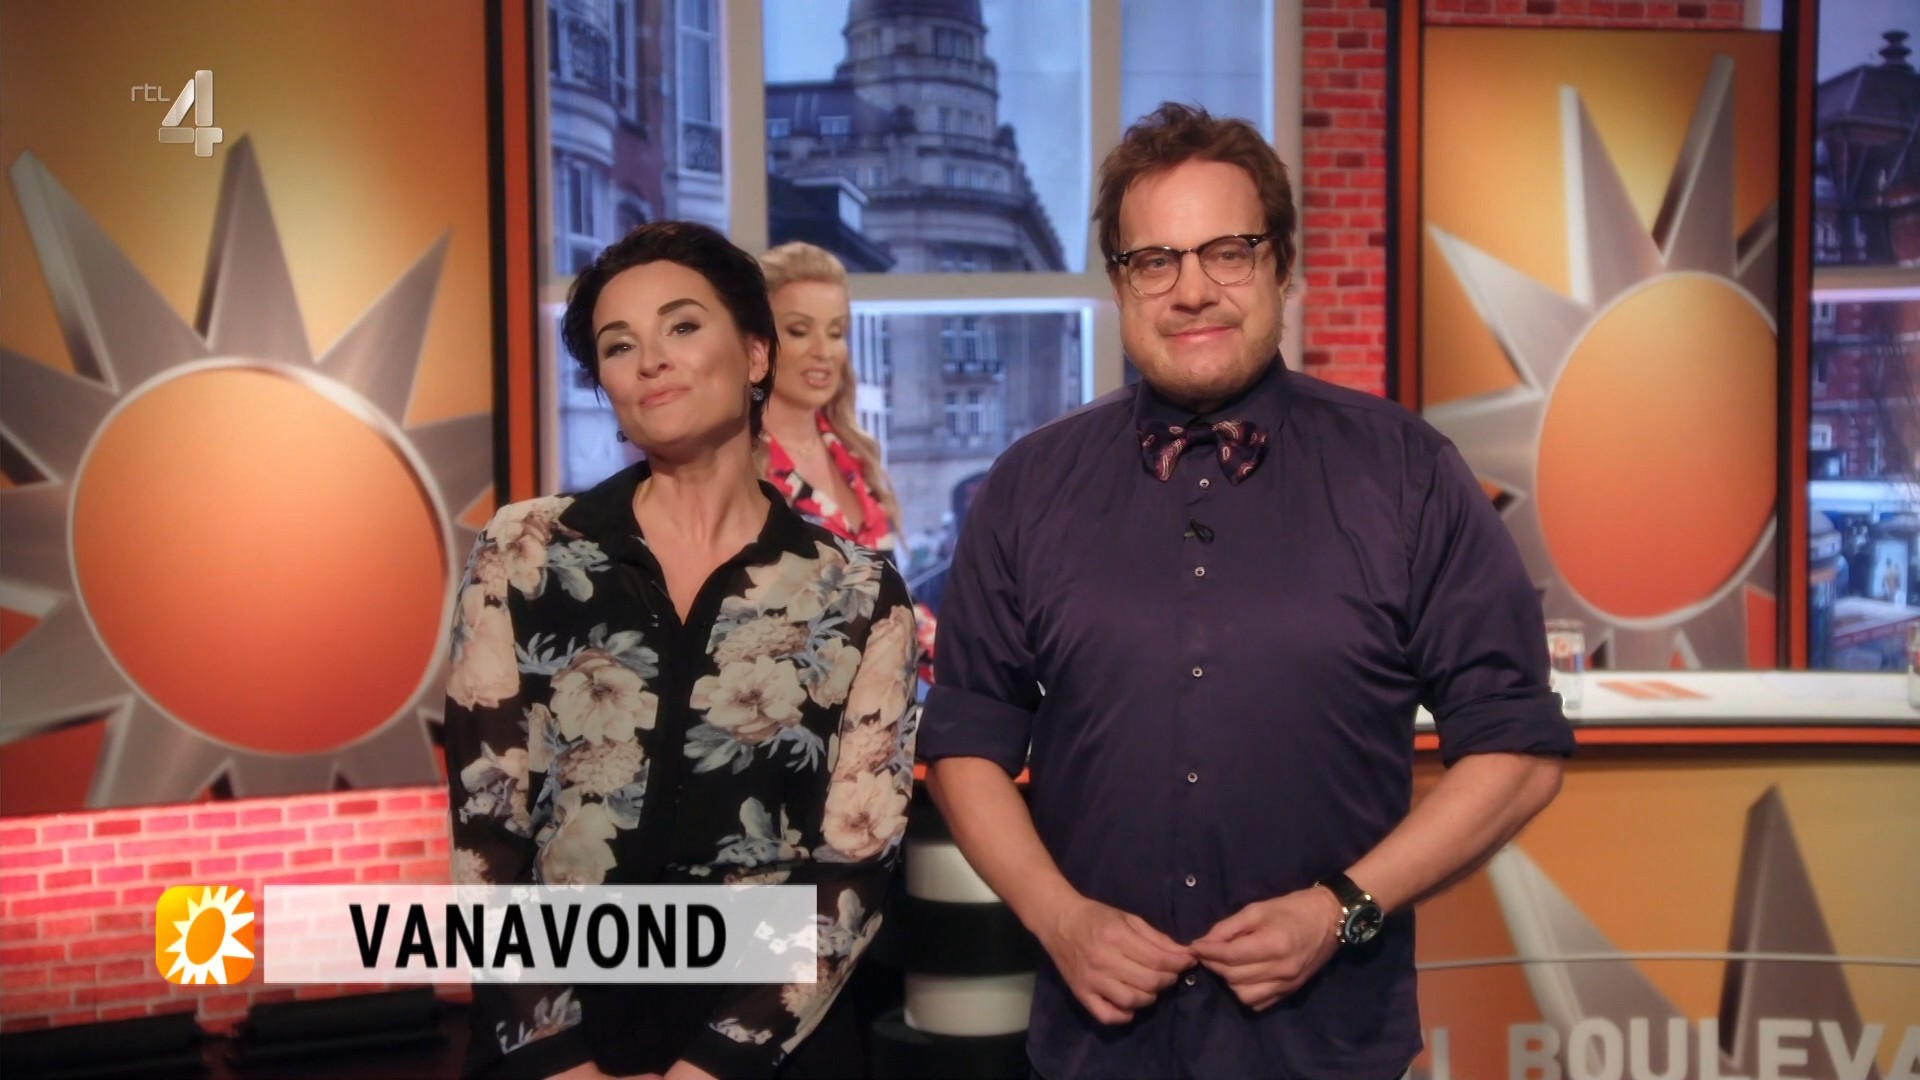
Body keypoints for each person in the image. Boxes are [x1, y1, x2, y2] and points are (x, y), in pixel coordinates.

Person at [918, 103, 1574, 1080]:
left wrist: (1342, 908)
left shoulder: (1407, 475)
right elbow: (966, 742)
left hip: (1328, 1049)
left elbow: (1516, 750)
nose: (1193, 291)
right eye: (1156, 261)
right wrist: (1059, 920)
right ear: (1120, 286)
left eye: (1228, 252)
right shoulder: (1028, 487)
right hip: (1099, 1053)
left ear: (1282, 268)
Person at [443, 221, 920, 1080]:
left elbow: (856, 864)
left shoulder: (856, 591)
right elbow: (489, 832)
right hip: (560, 1028)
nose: (651, 361)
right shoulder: (526, 552)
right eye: (619, 345)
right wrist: (554, 1053)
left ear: (755, 354)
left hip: (772, 1037)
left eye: (683, 326)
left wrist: (711, 1067)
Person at [756, 241, 935, 681]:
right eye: (799, 330)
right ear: (756, 344)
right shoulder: (739, 465)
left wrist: (980, 665)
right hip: (790, 703)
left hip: (883, 699)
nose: (824, 350)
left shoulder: (852, 455)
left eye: (835, 332)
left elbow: (891, 605)